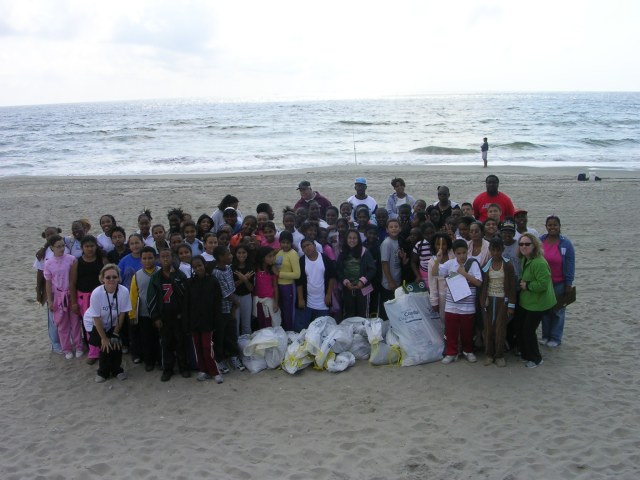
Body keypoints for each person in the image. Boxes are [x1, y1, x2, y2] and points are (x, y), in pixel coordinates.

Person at [433, 239, 483, 364]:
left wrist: (464, 274)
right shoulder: (450, 264)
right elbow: (435, 273)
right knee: (451, 331)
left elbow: (478, 282)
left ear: (467, 251)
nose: (461, 256)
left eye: (464, 253)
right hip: (451, 305)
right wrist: (438, 260)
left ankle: (468, 351)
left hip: (468, 307)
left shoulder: (473, 263)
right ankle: (451, 352)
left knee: (467, 331)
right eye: (458, 253)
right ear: (454, 253)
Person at [84, 264, 132, 383]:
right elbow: (96, 317)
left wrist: (116, 332)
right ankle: (103, 372)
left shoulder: (124, 291)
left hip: (113, 321)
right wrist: (104, 338)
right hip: (94, 322)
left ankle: (117, 370)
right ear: (102, 279)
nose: (111, 280)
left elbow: (122, 313)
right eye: (108, 277)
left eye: (114, 277)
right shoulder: (96, 293)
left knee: (116, 343)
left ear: (119, 278)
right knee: (105, 345)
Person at [148, 248, 189, 382]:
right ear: (159, 260)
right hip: (164, 317)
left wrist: (173, 279)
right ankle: (168, 369)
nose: (165, 259)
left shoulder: (180, 275)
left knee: (181, 343)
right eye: (163, 257)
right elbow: (151, 298)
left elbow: (185, 295)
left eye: (168, 256)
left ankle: (184, 367)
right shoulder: (156, 277)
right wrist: (156, 317)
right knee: (166, 344)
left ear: (173, 258)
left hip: (178, 316)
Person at [518, 233, 556, 368]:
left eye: (527, 244)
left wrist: (527, 285)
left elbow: (543, 284)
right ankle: (526, 353)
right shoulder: (525, 259)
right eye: (521, 244)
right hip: (529, 301)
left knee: (528, 330)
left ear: (534, 245)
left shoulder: (539, 262)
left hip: (539, 303)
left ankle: (536, 358)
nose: (523, 246)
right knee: (522, 327)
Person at [183, 256, 224, 383]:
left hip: (208, 321)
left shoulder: (213, 281)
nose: (198, 268)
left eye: (199, 265)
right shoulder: (189, 283)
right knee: (198, 347)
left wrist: (217, 320)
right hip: (194, 321)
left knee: (207, 347)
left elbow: (218, 302)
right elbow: (186, 304)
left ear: (204, 265)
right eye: (195, 267)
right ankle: (203, 370)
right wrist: (187, 322)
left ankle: (215, 371)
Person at [479, 238, 516, 367]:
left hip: (502, 301)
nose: (495, 252)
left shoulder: (508, 265)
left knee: (500, 328)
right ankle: (489, 354)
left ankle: (499, 355)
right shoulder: (486, 266)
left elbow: (511, 286)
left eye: (498, 250)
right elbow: (482, 286)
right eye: (493, 250)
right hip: (489, 300)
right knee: (488, 328)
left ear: (502, 250)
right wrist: (483, 301)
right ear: (489, 250)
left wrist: (511, 305)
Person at [44, 234, 82, 360]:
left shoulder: (71, 259)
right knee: (62, 323)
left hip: (71, 294)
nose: (61, 249)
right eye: (58, 247)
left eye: (63, 246)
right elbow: (48, 283)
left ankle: (78, 346)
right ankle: (66, 348)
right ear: (52, 248)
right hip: (59, 296)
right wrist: (50, 300)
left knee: (75, 321)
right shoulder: (49, 263)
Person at [539, 215, 575, 348]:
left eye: (555, 225)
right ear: (546, 226)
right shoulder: (540, 240)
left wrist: (569, 283)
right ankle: (545, 336)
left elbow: (570, 264)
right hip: (544, 283)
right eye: (550, 225)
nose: (552, 227)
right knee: (545, 310)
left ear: (559, 227)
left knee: (558, 311)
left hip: (559, 283)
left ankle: (555, 337)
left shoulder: (566, 244)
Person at [69, 235, 104, 365]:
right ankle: (93, 352)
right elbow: (72, 283)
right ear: (82, 248)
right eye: (87, 246)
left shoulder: (102, 260)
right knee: (88, 325)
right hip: (83, 298)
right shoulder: (77, 262)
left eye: (92, 246)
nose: (90, 249)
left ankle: (103, 348)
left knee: (102, 322)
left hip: (99, 297)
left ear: (96, 246)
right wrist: (73, 302)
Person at [211, 245, 245, 372]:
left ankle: (233, 356)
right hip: (222, 310)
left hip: (231, 308)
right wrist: (236, 303)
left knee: (231, 334)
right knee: (219, 336)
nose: (231, 256)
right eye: (228, 254)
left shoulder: (228, 269)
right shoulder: (216, 273)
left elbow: (231, 287)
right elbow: (225, 293)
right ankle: (219, 360)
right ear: (221, 257)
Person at [129, 246, 160, 371]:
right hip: (144, 314)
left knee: (159, 338)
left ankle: (160, 359)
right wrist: (132, 314)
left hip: (159, 313)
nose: (147, 261)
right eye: (144, 258)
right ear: (141, 260)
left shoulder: (160, 272)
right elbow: (133, 296)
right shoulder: (137, 276)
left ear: (155, 258)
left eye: (150, 258)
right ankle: (149, 361)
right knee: (146, 339)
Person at [34, 226, 64, 354]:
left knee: (66, 317)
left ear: (58, 233)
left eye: (53, 234)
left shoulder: (65, 246)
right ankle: (55, 344)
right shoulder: (43, 253)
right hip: (50, 289)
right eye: (47, 235)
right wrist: (39, 291)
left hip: (65, 288)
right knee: (53, 318)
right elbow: (40, 273)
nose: (50, 236)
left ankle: (66, 341)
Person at [296, 238, 336, 331]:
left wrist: (329, 295)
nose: (307, 248)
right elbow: (299, 282)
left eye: (308, 245)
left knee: (322, 330)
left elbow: (331, 277)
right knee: (302, 330)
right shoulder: (301, 261)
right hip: (307, 303)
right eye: (304, 247)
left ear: (314, 245)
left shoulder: (325, 259)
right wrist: (301, 299)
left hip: (323, 303)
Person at [336, 229, 376, 318]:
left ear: (358, 239)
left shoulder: (365, 252)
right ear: (346, 239)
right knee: (349, 312)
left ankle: (363, 331)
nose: (352, 240)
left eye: (355, 238)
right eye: (350, 238)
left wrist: (362, 281)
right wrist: (345, 281)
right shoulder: (342, 252)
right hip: (348, 288)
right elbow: (338, 270)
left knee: (363, 312)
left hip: (364, 288)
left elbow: (372, 269)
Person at [275, 231, 300, 331]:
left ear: (291, 243)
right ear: (280, 242)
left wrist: (279, 274)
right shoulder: (279, 252)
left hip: (288, 287)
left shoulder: (293, 254)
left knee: (288, 312)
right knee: (281, 311)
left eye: (288, 243)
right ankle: (283, 332)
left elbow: (297, 274)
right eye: (283, 242)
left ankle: (290, 332)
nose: (285, 245)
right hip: (278, 286)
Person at [379, 219, 403, 320]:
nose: (394, 228)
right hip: (389, 283)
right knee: (387, 307)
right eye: (391, 227)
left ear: (400, 228)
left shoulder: (399, 241)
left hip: (398, 279)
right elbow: (384, 263)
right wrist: (390, 281)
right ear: (387, 230)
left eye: (396, 226)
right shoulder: (387, 243)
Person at [428, 232, 455, 320]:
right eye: (438, 244)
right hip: (443, 296)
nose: (441, 247)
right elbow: (432, 284)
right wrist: (434, 302)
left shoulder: (454, 256)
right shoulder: (432, 262)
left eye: (443, 244)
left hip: (456, 292)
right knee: (445, 319)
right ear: (433, 245)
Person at [253, 247, 281, 329]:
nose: (272, 258)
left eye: (273, 256)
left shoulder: (272, 270)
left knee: (272, 322)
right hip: (258, 301)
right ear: (262, 258)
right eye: (269, 256)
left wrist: (276, 302)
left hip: (270, 301)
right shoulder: (255, 270)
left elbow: (275, 287)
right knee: (262, 322)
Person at [233, 244, 254, 336]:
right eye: (239, 253)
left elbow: (251, 288)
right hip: (234, 297)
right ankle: (236, 346)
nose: (241, 255)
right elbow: (231, 287)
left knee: (246, 323)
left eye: (244, 252)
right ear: (235, 254)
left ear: (247, 253)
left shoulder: (251, 267)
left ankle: (247, 345)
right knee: (235, 323)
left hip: (246, 297)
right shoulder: (231, 267)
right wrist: (242, 279)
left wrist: (245, 280)